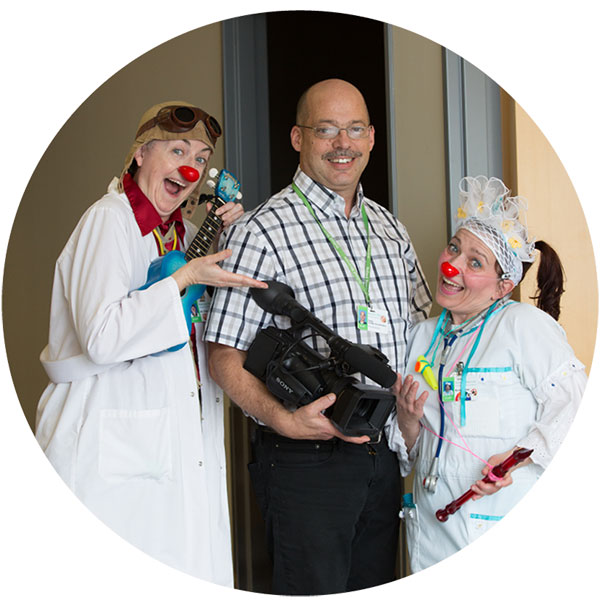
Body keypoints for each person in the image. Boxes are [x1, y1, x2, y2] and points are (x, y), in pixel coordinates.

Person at [204, 79, 432, 595]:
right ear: (297, 138)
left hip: (382, 455)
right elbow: (222, 355)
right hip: (305, 460)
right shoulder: (261, 232)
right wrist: (283, 419)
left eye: (354, 129)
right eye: (326, 130)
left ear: (372, 137)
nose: (342, 144)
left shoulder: (390, 230)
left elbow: (422, 335)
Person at [35, 101, 267, 585]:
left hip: (171, 436)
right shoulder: (109, 221)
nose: (191, 165)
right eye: (178, 149)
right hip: (111, 439)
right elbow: (102, 335)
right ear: (141, 154)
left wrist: (216, 243)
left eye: (202, 158)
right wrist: (183, 277)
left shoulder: (179, 234)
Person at [391, 175, 587, 573]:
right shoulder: (422, 336)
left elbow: (576, 408)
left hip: (500, 527)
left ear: (503, 286)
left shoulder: (523, 326)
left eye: (474, 262)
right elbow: (409, 451)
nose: (451, 266)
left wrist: (517, 461)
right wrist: (409, 421)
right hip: (431, 529)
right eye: (454, 248)